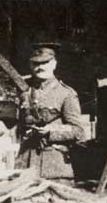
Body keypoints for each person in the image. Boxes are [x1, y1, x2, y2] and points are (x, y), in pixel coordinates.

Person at [17, 43, 86, 179]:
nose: (40, 67)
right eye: (35, 63)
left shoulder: (66, 93)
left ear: (54, 64)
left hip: (53, 165)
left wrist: (51, 130)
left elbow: (78, 131)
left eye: (45, 63)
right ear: (30, 65)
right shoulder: (24, 92)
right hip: (24, 161)